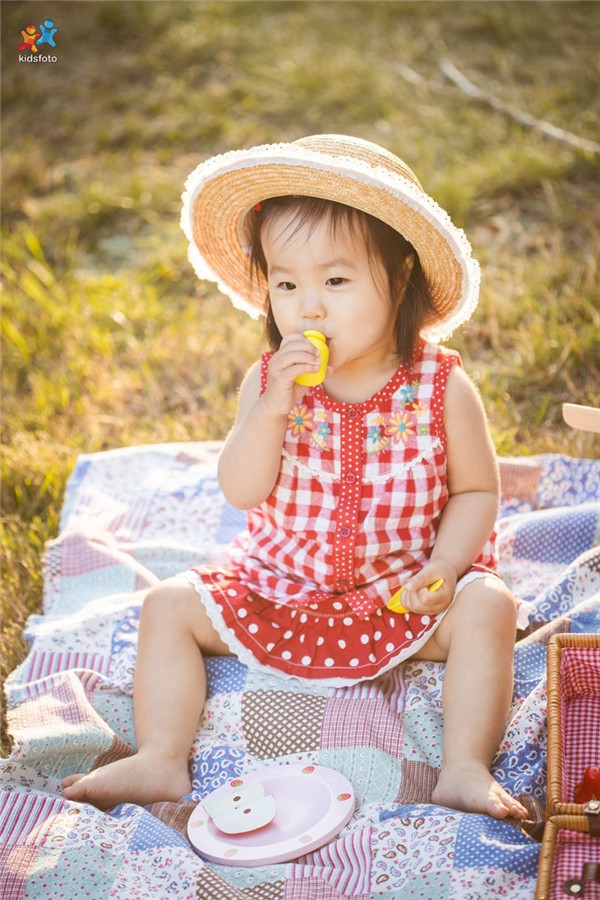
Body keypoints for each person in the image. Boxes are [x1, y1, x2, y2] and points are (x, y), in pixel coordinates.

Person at [62, 134, 528, 821]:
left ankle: (462, 767)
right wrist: (271, 411)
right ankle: (161, 757)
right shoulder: (269, 380)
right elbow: (243, 491)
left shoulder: (440, 385)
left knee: (489, 604)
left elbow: (476, 490)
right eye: (286, 283)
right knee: (168, 606)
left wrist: (445, 563)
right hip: (277, 590)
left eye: (336, 281)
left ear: (399, 281)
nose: (308, 307)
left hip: (397, 599)